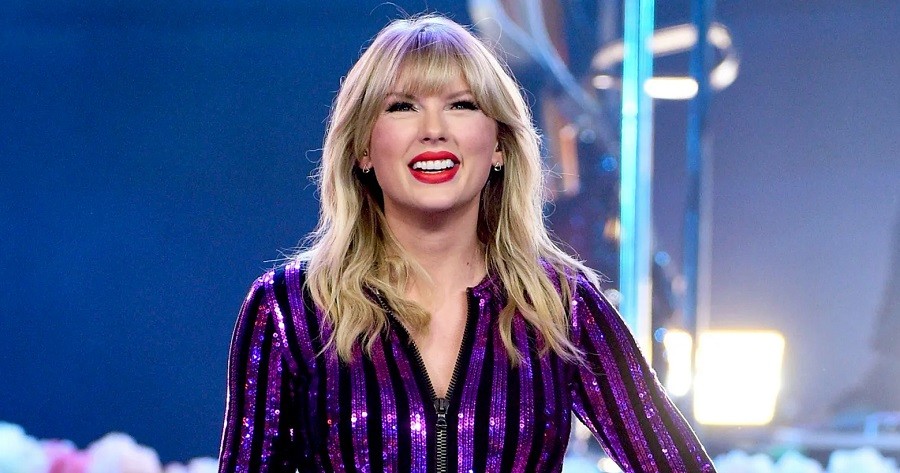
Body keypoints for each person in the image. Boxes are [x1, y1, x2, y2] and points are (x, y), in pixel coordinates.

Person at [217, 14, 716, 473]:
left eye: (461, 105)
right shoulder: (289, 308)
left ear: (499, 144)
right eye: (403, 106)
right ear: (363, 148)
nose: (434, 130)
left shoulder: (562, 304)